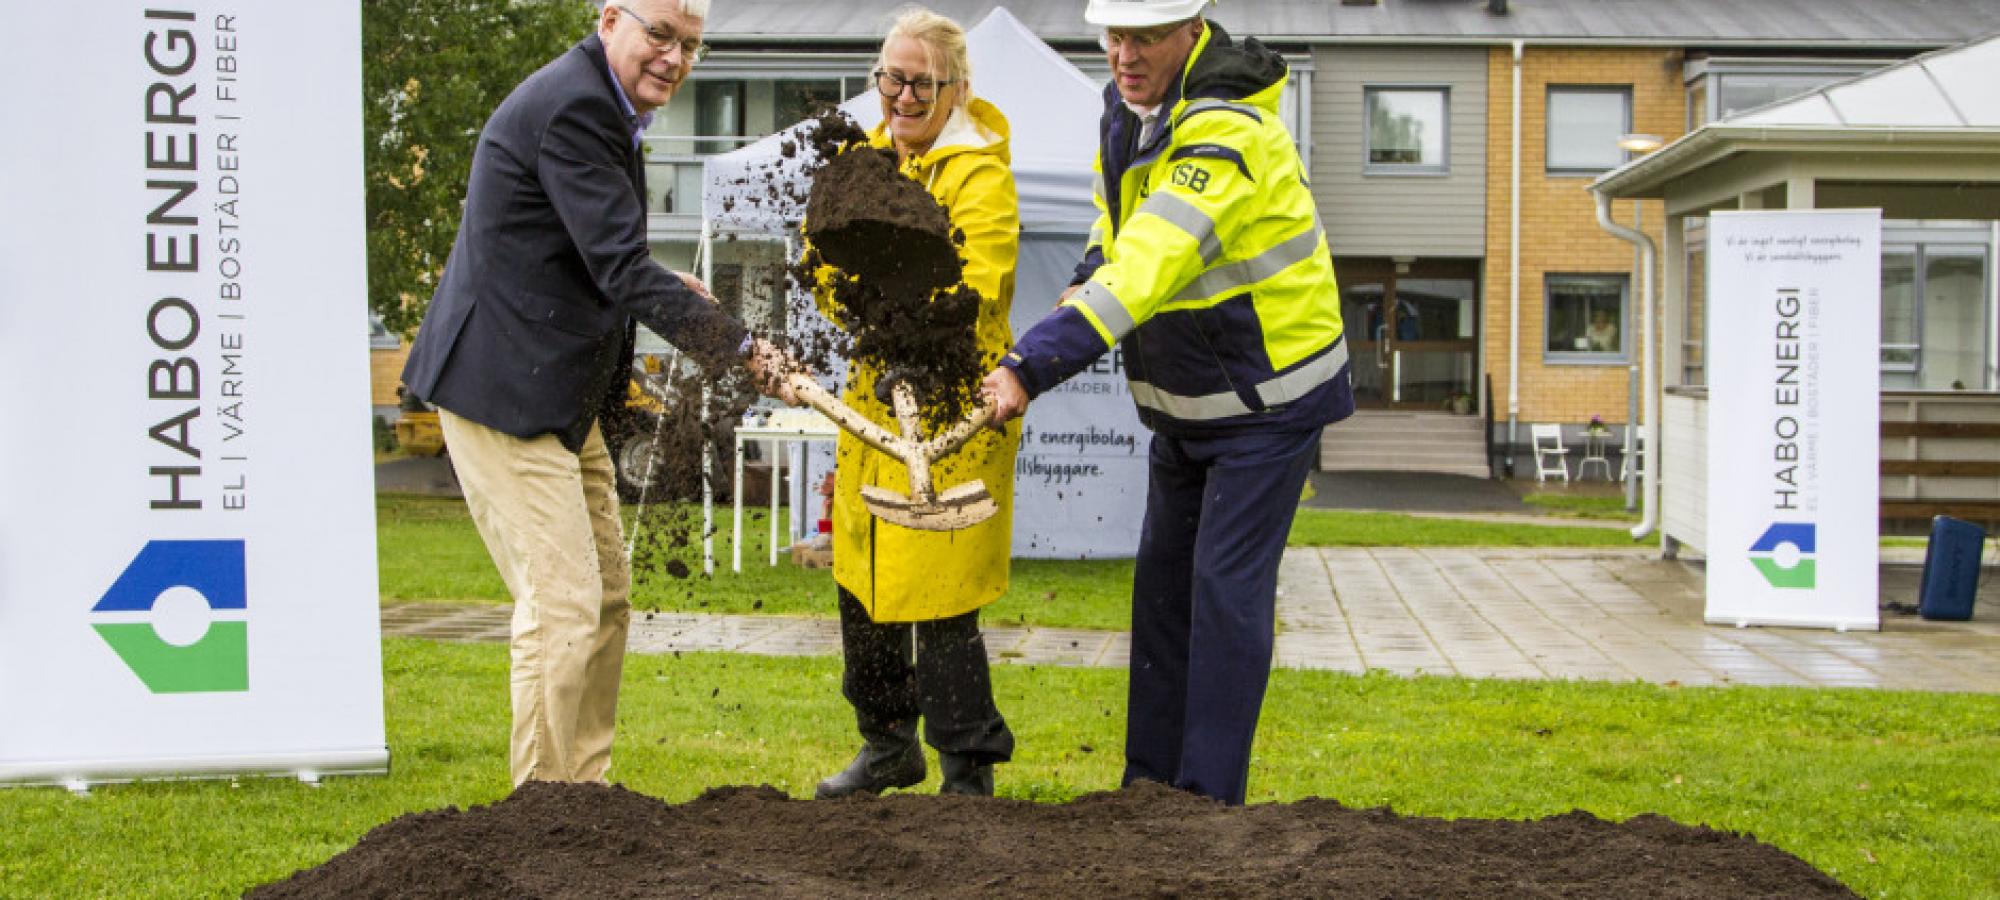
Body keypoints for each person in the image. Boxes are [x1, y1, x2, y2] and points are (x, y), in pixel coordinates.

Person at [400, 0, 793, 786]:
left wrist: (656, 281)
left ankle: (588, 794)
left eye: (690, 46)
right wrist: (742, 347)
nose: (674, 59)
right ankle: (544, 813)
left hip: (557, 395)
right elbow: (618, 265)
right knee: (565, 604)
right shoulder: (579, 106)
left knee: (608, 594)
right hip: (503, 391)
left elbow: (584, 247)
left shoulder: (604, 104)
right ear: (610, 17)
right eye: (659, 35)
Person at [980, 0, 1353, 805]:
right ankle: (1147, 795)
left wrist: (1027, 366)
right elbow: (1116, 223)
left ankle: (1208, 805)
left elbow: (1153, 259)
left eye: (1145, 36)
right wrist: (1085, 269)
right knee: (1161, 594)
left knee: (1223, 592)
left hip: (1268, 399)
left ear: (1194, 29)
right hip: (1185, 400)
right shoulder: (1129, 109)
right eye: (1113, 35)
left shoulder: (1228, 133)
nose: (1123, 53)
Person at [809, 7, 1022, 799]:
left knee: (941, 593)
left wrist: (887, 291)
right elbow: (822, 265)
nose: (901, 95)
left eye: (920, 82)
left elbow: (978, 278)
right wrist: (861, 293)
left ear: (957, 88)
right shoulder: (864, 163)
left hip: (953, 405)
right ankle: (887, 743)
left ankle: (967, 763)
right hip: (873, 399)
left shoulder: (980, 173)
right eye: (889, 79)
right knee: (861, 580)